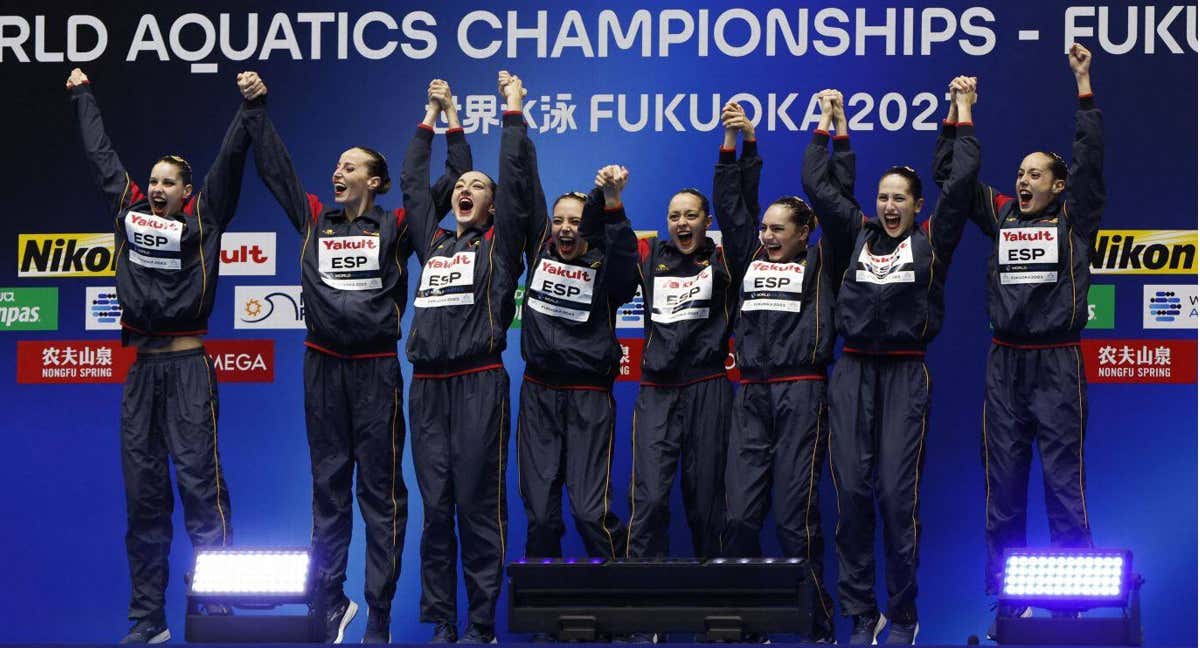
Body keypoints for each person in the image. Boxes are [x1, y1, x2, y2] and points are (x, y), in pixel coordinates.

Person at [243, 75, 470, 643]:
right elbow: (277, 169)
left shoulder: (395, 224)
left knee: (381, 493)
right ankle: (328, 603)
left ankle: (380, 613)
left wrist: (445, 119)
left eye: (350, 167)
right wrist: (257, 108)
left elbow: (454, 184)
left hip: (376, 371)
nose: (337, 173)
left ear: (376, 180)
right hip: (321, 367)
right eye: (337, 168)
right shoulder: (315, 216)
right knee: (327, 488)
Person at [66, 67, 261, 644]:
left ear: (186, 191)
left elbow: (228, 163)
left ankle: (215, 612)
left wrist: (249, 109)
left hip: (189, 370)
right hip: (141, 373)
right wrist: (82, 95)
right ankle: (146, 621)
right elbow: (102, 157)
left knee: (203, 492)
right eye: (150, 180)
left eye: (167, 183)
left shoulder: (205, 220)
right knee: (144, 501)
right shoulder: (128, 215)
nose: (155, 188)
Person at [802, 79, 981, 645]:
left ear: (917, 204)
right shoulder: (856, 233)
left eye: (899, 197)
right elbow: (817, 183)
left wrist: (962, 114)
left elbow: (960, 185)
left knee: (894, 497)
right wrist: (829, 126)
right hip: (852, 372)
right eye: (882, 196)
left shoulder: (932, 239)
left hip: (905, 372)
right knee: (852, 494)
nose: (889, 205)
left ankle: (902, 614)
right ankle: (862, 612)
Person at [941, 44, 1103, 624]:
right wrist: (961, 112)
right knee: (1003, 486)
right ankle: (1009, 597)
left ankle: (1074, 601)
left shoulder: (1074, 218)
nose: (1023, 179)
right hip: (1005, 365)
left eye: (1036, 174)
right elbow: (955, 184)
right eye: (1020, 173)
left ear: (1059, 186)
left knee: (1064, 484)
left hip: (1057, 361)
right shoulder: (1004, 213)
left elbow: (1090, 160)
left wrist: (1083, 84)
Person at [402, 71, 540, 644]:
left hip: (479, 381)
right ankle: (442, 622)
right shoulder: (431, 241)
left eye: (479, 187)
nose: (468, 189)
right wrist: (437, 118)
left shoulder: (501, 246)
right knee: (436, 511)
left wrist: (512, 109)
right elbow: (414, 181)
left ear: (493, 206)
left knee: (477, 507)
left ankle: (481, 622)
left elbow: (512, 174)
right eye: (464, 185)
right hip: (427, 386)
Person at [713, 101, 837, 642]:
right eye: (765, 229)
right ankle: (749, 620)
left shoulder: (821, 261)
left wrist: (829, 134)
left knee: (794, 521)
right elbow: (730, 206)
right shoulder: (749, 260)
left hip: (801, 391)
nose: (766, 235)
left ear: (805, 232)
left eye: (778, 229)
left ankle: (816, 622)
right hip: (751, 396)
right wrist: (741, 145)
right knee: (739, 519)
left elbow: (837, 203)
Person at [516, 165, 637, 561]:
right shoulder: (538, 253)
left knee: (589, 513)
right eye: (558, 220)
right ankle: (544, 617)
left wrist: (610, 199)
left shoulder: (609, 271)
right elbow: (524, 180)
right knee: (541, 519)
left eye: (575, 221)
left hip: (588, 396)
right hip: (538, 396)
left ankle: (625, 610)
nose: (565, 228)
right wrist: (515, 108)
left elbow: (623, 255)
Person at [623, 164, 736, 563]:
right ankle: (645, 617)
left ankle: (718, 615)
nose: (682, 223)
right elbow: (614, 247)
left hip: (708, 387)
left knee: (706, 504)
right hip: (657, 390)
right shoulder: (651, 255)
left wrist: (730, 148)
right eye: (674, 216)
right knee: (650, 500)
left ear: (708, 221)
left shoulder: (726, 261)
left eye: (691, 215)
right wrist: (612, 201)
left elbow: (741, 211)